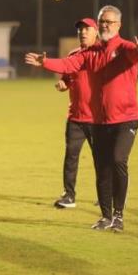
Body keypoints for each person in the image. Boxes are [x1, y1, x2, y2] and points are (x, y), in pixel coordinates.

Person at [25, 5, 138, 232]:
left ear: (119, 25)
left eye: (109, 22)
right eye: (102, 22)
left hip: (126, 119)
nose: (105, 26)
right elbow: (67, 64)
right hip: (100, 121)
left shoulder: (125, 48)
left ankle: (119, 216)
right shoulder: (90, 53)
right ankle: (105, 216)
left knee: (118, 160)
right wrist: (45, 63)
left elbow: (135, 55)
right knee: (102, 168)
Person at [53, 17, 99, 209]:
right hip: (75, 117)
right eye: (80, 29)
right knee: (71, 156)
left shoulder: (102, 55)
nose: (83, 32)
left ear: (96, 32)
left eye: (87, 29)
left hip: (98, 119)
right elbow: (67, 79)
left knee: (102, 159)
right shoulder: (73, 55)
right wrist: (63, 84)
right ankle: (69, 196)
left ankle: (106, 195)